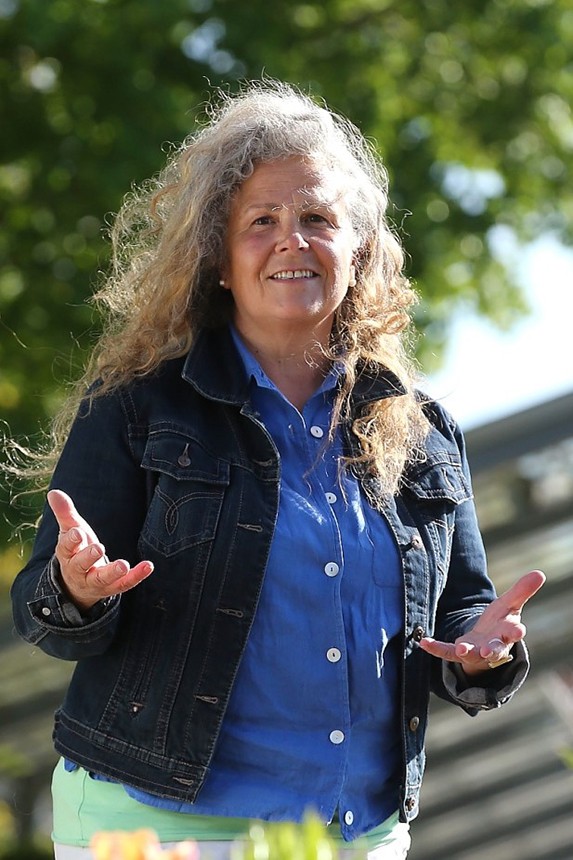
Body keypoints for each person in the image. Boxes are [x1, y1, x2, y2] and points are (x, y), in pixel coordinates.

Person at [10, 80, 545, 860]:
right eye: (261, 221)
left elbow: (461, 612)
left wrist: (483, 652)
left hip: (356, 832)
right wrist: (78, 590)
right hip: (157, 824)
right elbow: (41, 609)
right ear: (220, 261)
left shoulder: (423, 431)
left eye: (317, 219)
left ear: (358, 249)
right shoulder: (137, 406)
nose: (292, 240)